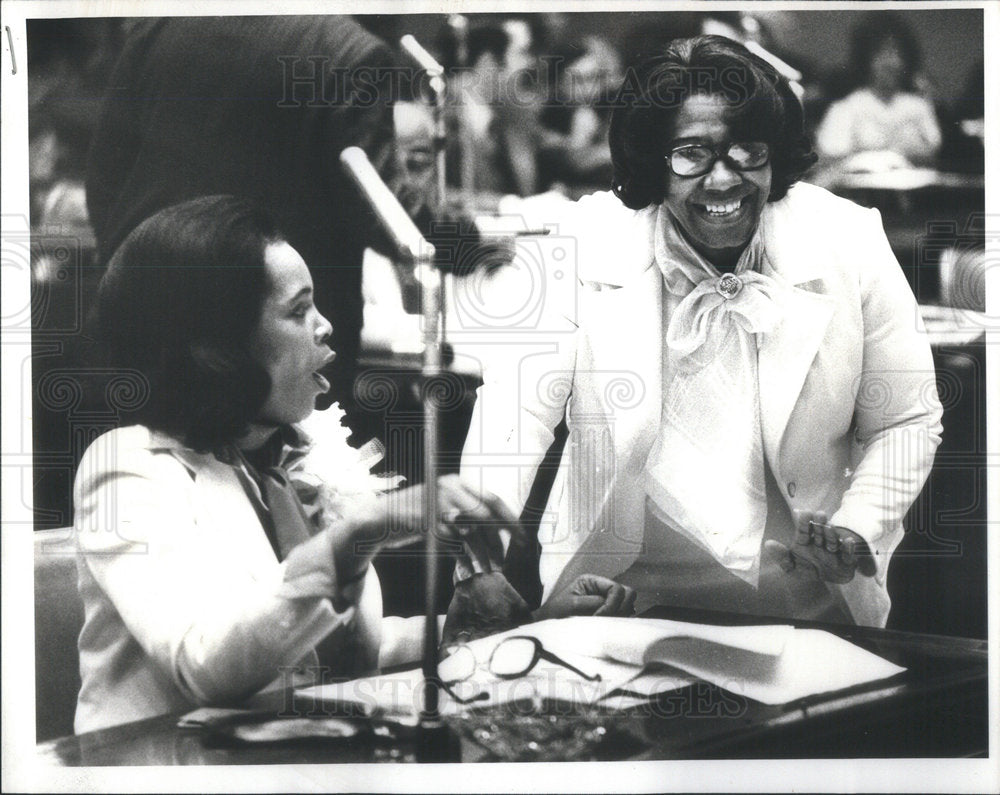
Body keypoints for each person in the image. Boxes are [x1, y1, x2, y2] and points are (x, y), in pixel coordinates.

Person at [73, 196, 632, 733]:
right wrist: (360, 535)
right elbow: (205, 668)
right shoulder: (128, 468)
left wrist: (524, 626)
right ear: (218, 345)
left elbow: (341, 653)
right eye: (298, 311)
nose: (325, 325)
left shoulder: (295, 458)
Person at [461, 36, 943, 627]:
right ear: (650, 161)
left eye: (747, 151)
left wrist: (857, 524)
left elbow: (906, 419)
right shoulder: (582, 241)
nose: (723, 181)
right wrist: (479, 563)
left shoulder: (848, 239)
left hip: (807, 602)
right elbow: (513, 416)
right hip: (622, 602)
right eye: (691, 154)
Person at [84, 15, 400, 421]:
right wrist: (466, 244)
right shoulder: (349, 50)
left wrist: (128, 275)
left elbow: (104, 177)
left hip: (145, 317)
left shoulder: (158, 28)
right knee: (293, 477)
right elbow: (379, 210)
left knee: (146, 464)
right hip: (276, 342)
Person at [814, 13, 942, 168]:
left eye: (898, 54)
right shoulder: (848, 107)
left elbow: (933, 152)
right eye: (883, 54)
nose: (892, 63)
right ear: (866, 59)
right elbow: (832, 157)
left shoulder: (918, 106)